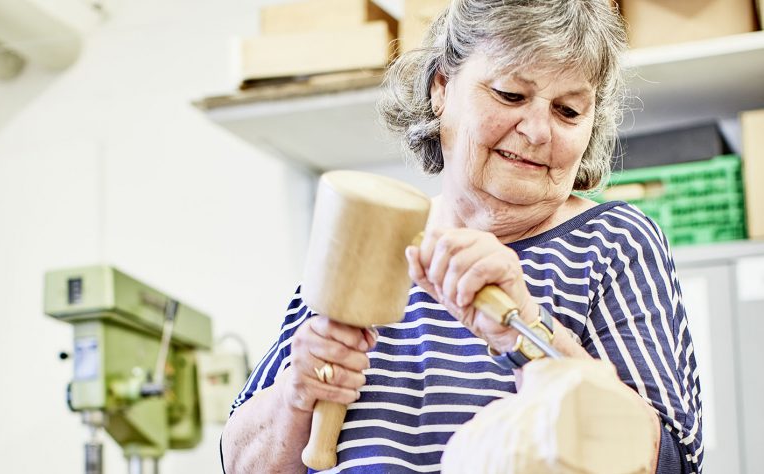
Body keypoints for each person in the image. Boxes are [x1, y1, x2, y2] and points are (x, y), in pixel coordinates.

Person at [221, 0, 703, 472]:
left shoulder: (612, 243)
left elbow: (669, 462)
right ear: (441, 88)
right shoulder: (373, 231)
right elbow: (240, 463)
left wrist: (525, 328)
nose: (538, 130)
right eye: (510, 95)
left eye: (568, 110)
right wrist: (295, 394)